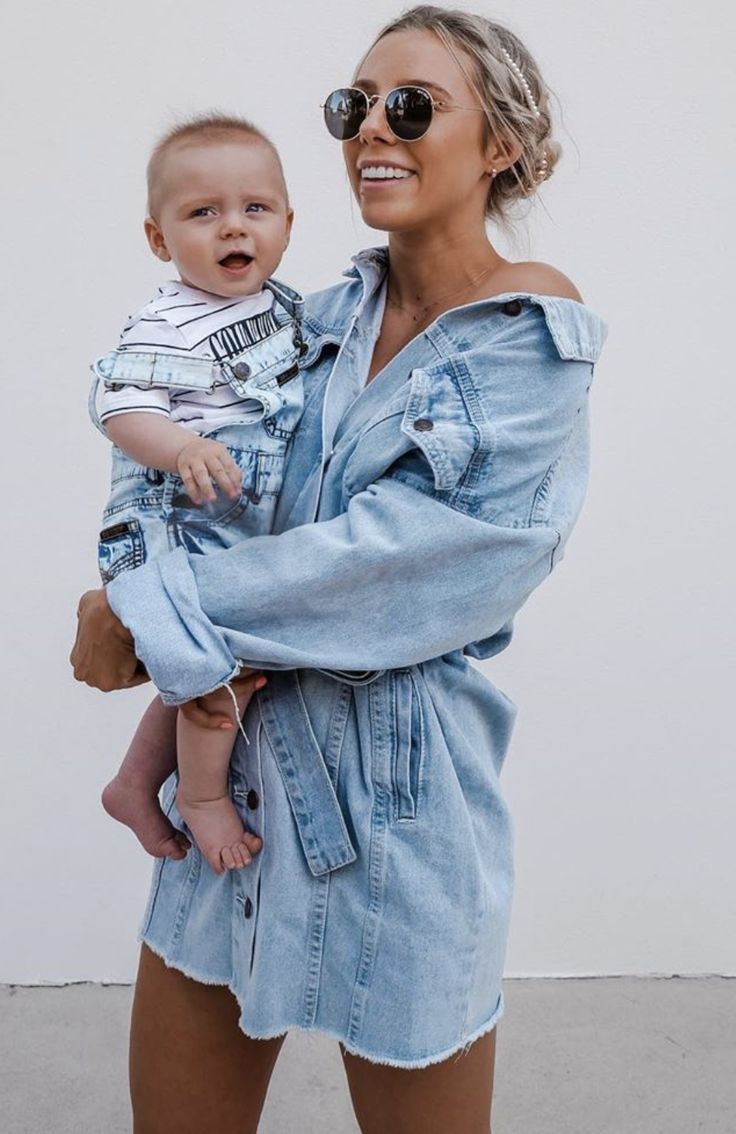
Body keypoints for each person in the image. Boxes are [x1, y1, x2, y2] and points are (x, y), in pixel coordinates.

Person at [71, 6, 609, 1132]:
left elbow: (397, 574)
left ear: (499, 143)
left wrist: (142, 609)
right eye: (351, 104)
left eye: (410, 105)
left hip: (402, 818)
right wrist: (127, 576)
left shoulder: (530, 347)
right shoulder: (295, 326)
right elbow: (173, 460)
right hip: (233, 793)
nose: (372, 126)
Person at [89, 114, 304, 875]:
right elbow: (119, 409)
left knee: (217, 658)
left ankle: (136, 780)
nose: (231, 228)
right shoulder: (167, 321)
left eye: (254, 208)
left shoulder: (286, 309)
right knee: (211, 670)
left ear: (286, 222)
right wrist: (183, 446)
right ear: (159, 239)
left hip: (241, 517)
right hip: (171, 520)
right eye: (202, 213)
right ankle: (205, 799)